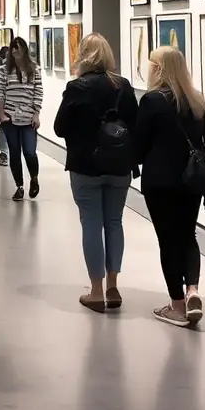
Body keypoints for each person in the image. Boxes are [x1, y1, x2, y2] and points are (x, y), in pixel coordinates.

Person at [53, 33, 138, 312]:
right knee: (114, 222)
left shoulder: (77, 87)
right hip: (119, 166)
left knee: (91, 223)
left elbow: (59, 127)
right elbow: (135, 125)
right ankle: (113, 287)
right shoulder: (123, 86)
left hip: (86, 165)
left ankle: (96, 291)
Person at [135, 46, 205, 328]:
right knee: (187, 236)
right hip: (191, 182)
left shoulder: (151, 102)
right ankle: (192, 289)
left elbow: (139, 144)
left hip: (160, 182)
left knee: (167, 241)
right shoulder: (197, 102)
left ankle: (177, 306)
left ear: (158, 69)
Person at [0, 36, 43, 201]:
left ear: (24, 49)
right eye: (13, 48)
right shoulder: (4, 70)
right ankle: (19, 186)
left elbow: (38, 93)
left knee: (30, 152)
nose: (16, 51)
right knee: (14, 153)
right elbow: (0, 92)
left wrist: (36, 114)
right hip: (10, 118)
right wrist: (1, 115)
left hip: (28, 117)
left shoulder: (34, 69)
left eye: (19, 47)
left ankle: (34, 178)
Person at [0, 46, 10, 166]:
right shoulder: (2, 69)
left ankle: (7, 152)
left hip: (17, 106)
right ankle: (4, 153)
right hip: (3, 103)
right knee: (3, 129)